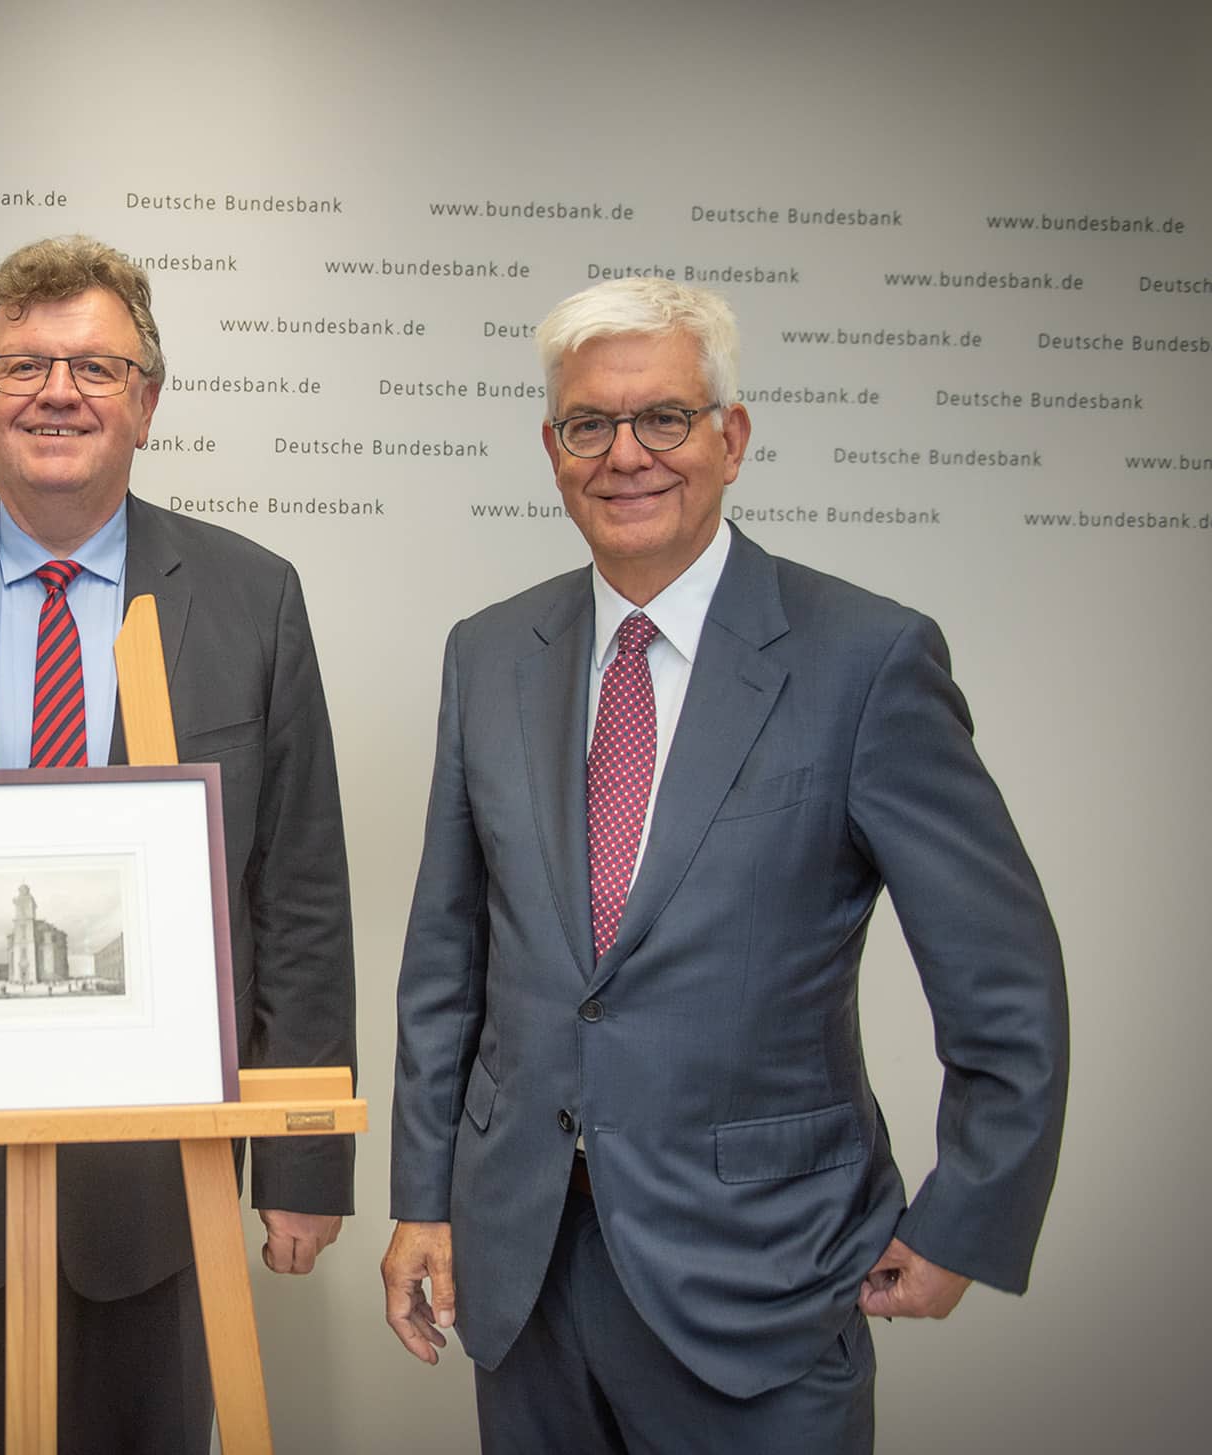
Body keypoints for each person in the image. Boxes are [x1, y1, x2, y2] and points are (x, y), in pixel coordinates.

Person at [380, 275, 1068, 1453]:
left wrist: (969, 1218)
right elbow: (448, 958)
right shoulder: (490, 651)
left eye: (665, 418)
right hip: (526, 1268)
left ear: (731, 437)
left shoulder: (865, 659)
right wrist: (422, 1196)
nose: (626, 455)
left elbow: (1003, 975)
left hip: (762, 1276)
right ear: (554, 449)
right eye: (590, 425)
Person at [0, 234, 356, 1452]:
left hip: (159, 1190)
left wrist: (304, 1164)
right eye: (23, 366)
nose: (58, 392)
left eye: (97, 367)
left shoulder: (252, 596)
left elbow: (299, 886)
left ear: (148, 403)